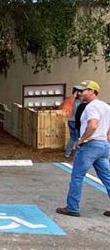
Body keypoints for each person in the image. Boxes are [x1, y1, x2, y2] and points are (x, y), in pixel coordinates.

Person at [56, 80, 110, 217]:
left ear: (92, 91)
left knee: (77, 176)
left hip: (90, 145)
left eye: (83, 90)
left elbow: (92, 125)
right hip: (103, 144)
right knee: (107, 177)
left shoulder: (91, 107)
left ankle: (72, 207)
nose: (80, 93)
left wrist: (81, 139)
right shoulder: (105, 106)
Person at [62, 87, 83, 158]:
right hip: (76, 122)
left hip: (70, 120)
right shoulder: (80, 102)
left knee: (72, 138)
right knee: (78, 138)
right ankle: (77, 155)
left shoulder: (70, 101)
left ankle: (67, 153)